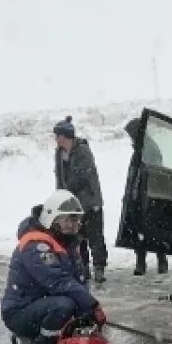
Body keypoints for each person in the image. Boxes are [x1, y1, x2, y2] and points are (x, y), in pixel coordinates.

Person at [1, 190, 107, 344]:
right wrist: (92, 305)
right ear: (53, 219)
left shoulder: (66, 244)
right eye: (70, 220)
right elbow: (59, 282)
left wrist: (87, 312)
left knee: (77, 313)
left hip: (42, 304)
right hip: (20, 311)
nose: (76, 225)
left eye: (77, 220)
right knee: (64, 305)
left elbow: (78, 280)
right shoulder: (36, 245)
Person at [53, 116, 107, 284]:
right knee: (77, 238)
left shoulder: (83, 151)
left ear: (65, 136)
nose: (55, 139)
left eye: (57, 135)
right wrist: (59, 197)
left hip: (90, 202)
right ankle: (84, 268)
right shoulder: (59, 153)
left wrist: (66, 191)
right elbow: (59, 177)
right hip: (73, 204)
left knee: (95, 237)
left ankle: (99, 268)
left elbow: (82, 177)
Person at [123, 117, 169, 276]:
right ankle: (140, 262)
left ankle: (161, 261)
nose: (131, 138)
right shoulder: (138, 149)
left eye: (132, 135)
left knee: (154, 228)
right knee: (139, 229)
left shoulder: (150, 149)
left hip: (149, 195)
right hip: (138, 196)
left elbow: (153, 173)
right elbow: (133, 174)